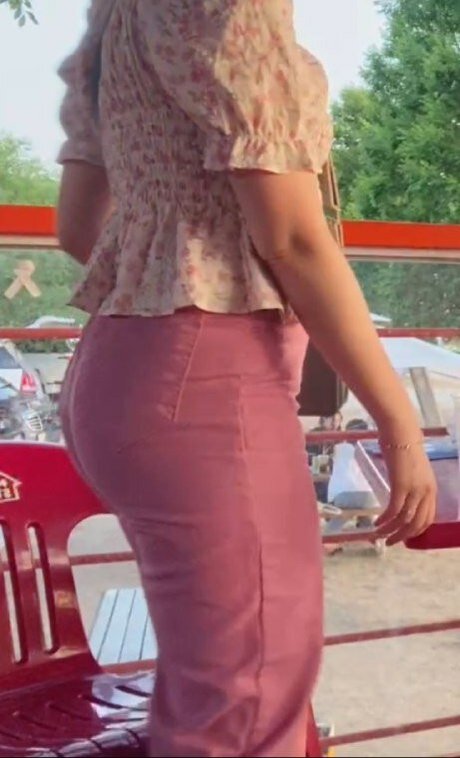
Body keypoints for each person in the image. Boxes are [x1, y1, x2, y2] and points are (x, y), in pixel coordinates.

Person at [56, 2, 436, 755]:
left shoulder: (118, 13)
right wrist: (400, 423)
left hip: (121, 368)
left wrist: (173, 254)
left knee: (225, 688)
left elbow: (77, 229)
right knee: (245, 707)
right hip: (207, 380)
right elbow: (292, 238)